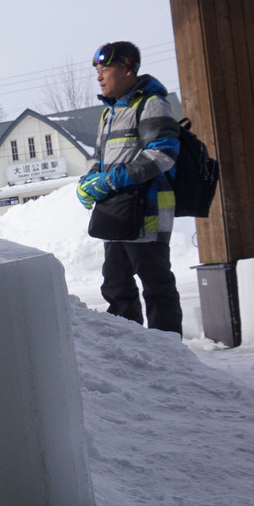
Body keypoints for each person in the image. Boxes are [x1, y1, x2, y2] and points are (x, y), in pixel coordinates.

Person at [76, 40, 183, 336]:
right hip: (116, 215)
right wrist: (89, 182)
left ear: (128, 69)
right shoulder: (109, 113)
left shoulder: (151, 104)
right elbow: (100, 160)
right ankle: (132, 351)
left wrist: (110, 181)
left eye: (105, 68)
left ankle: (170, 354)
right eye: (97, 69)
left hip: (147, 216)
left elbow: (162, 154)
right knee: (115, 286)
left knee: (156, 286)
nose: (99, 75)